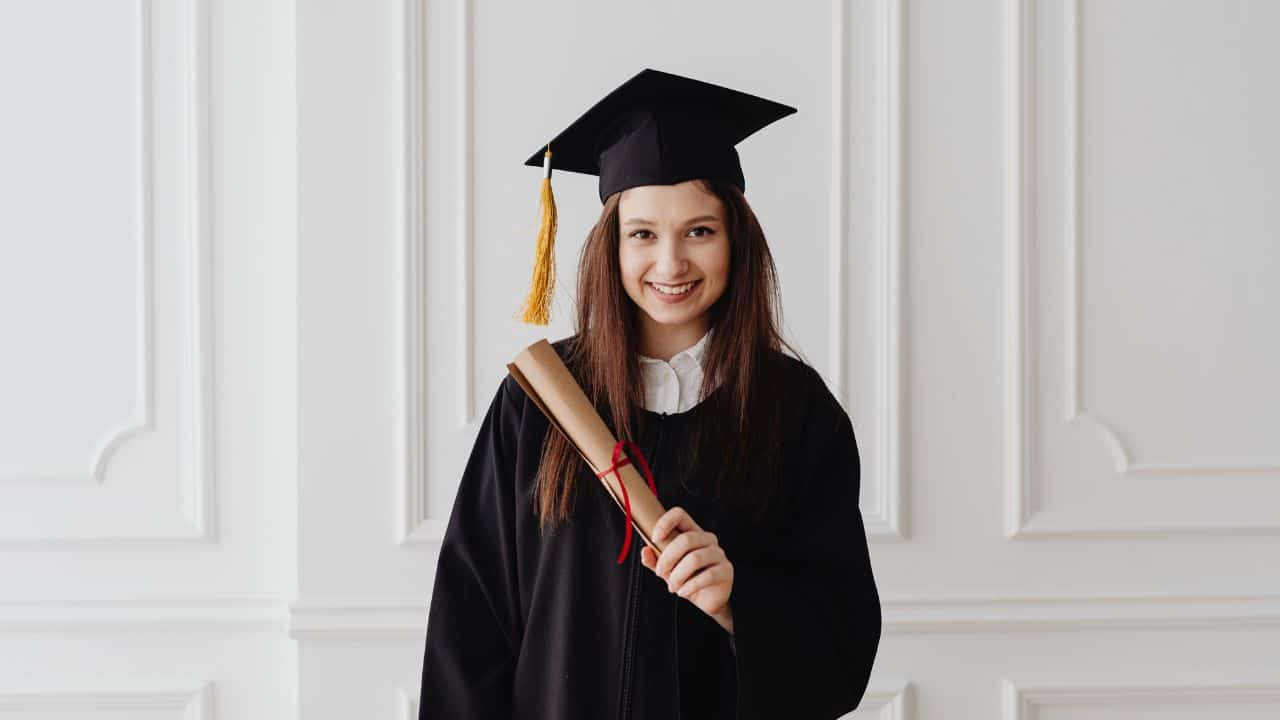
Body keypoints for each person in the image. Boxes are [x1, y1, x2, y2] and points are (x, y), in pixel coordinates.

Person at [417, 67, 881, 720]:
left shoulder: (795, 412)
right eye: (642, 233)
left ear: (736, 240)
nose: (670, 263)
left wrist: (737, 602)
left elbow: (842, 647)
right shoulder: (541, 403)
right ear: (611, 245)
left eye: (699, 230)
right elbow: (470, 627)